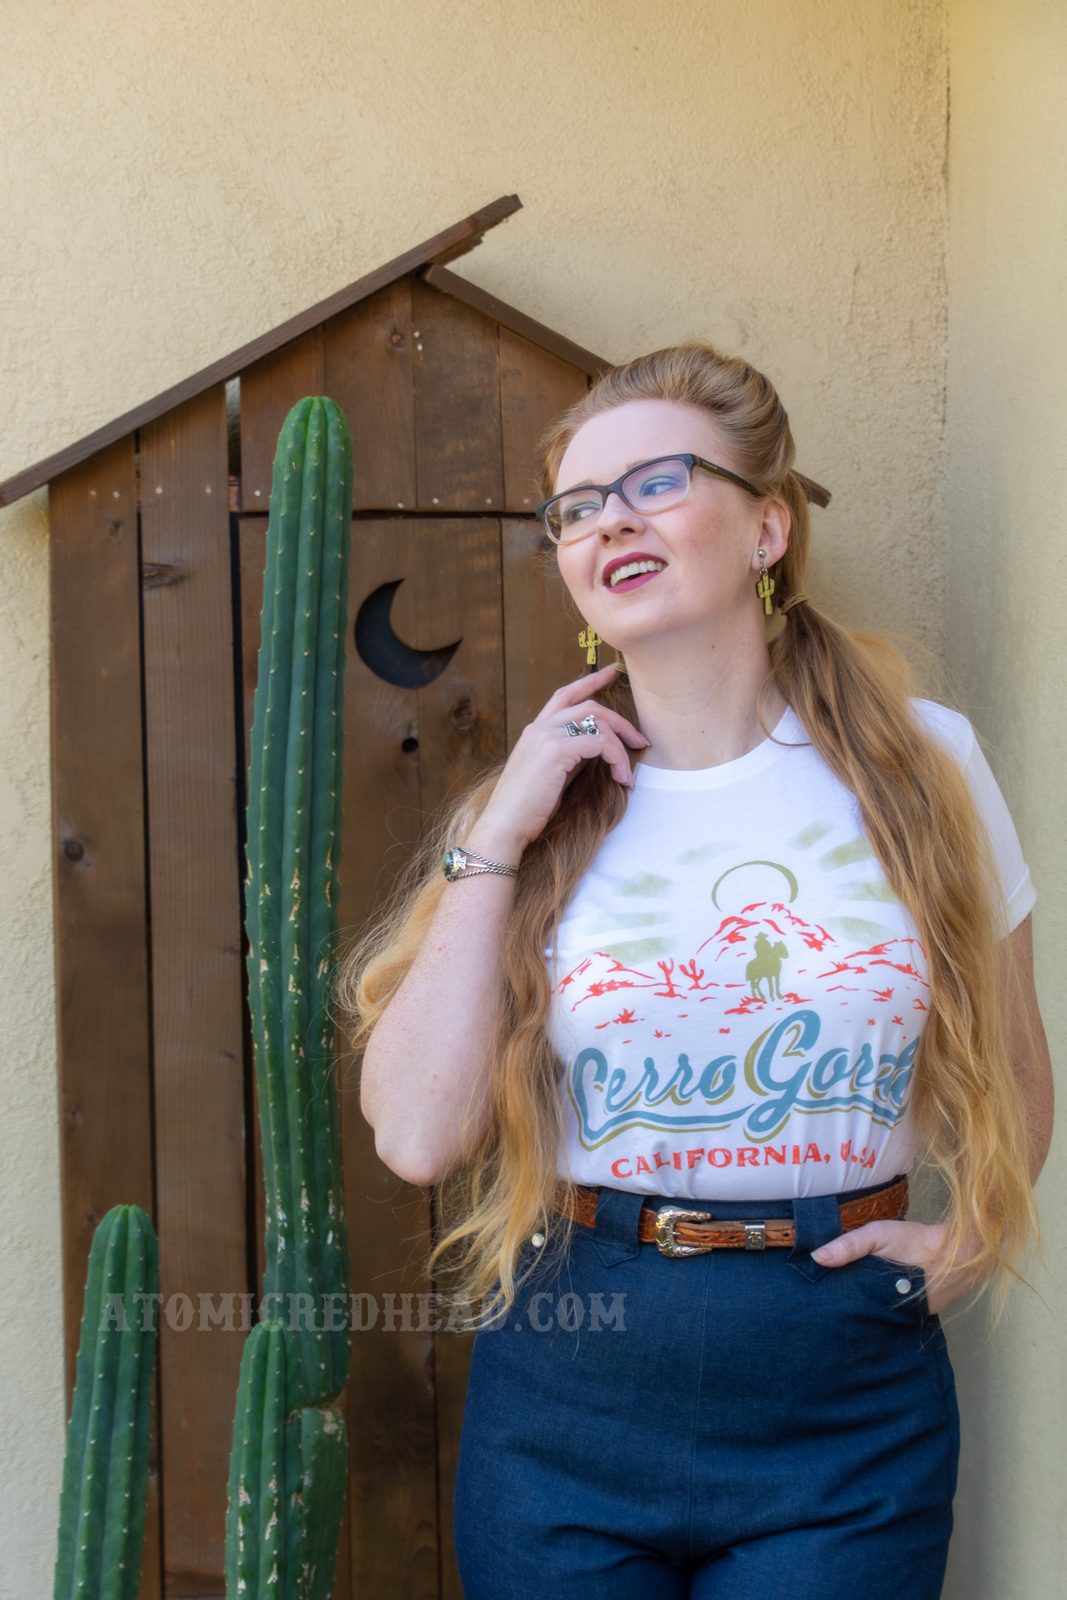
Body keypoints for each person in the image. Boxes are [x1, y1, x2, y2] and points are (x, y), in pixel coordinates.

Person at [344, 343, 1053, 1598]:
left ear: (767, 526)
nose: (607, 519)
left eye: (655, 483)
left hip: (842, 1394)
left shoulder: (921, 765)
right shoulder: (536, 808)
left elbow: (1008, 1053)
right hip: (571, 1380)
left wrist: (976, 1235)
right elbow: (413, 1132)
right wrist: (496, 835)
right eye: (574, 507)